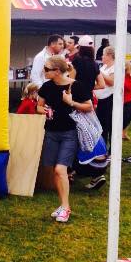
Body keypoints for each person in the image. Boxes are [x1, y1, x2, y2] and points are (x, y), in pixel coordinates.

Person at [36, 55, 93, 223]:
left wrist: (71, 102)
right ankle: (62, 205)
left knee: (61, 169)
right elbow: (38, 106)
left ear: (57, 71)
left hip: (70, 133)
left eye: (47, 69)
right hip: (51, 133)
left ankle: (66, 207)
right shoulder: (46, 86)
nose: (44, 71)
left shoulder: (76, 86)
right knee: (55, 170)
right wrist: (43, 110)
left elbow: (89, 106)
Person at [95, 46, 115, 147]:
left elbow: (111, 82)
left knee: (109, 125)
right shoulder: (103, 67)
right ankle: (103, 148)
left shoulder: (114, 67)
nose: (102, 57)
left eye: (103, 55)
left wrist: (99, 72)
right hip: (100, 100)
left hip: (109, 99)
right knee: (101, 126)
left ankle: (111, 149)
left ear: (110, 56)